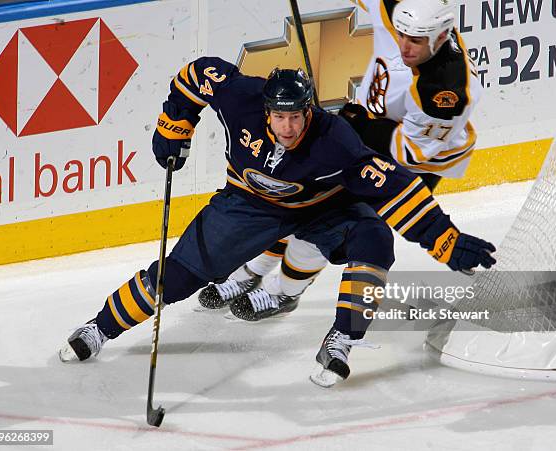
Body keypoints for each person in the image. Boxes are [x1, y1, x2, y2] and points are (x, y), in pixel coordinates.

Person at [59, 55, 495, 386]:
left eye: (296, 116)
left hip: (325, 209)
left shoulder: (336, 141)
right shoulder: (240, 97)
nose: (287, 128)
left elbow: (396, 188)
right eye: (279, 116)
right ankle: (99, 327)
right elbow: (197, 74)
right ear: (266, 110)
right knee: (176, 278)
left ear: (309, 110)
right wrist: (174, 126)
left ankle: (344, 337)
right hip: (247, 206)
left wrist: (444, 238)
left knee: (375, 239)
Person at [200, 0, 483, 322]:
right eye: (401, 35)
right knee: (293, 193)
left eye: (415, 41)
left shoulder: (445, 91)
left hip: (412, 162)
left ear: (442, 35)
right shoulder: (397, 9)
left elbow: (411, 152)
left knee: (327, 221)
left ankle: (284, 292)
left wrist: (353, 128)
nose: (404, 45)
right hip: (361, 130)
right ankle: (252, 271)